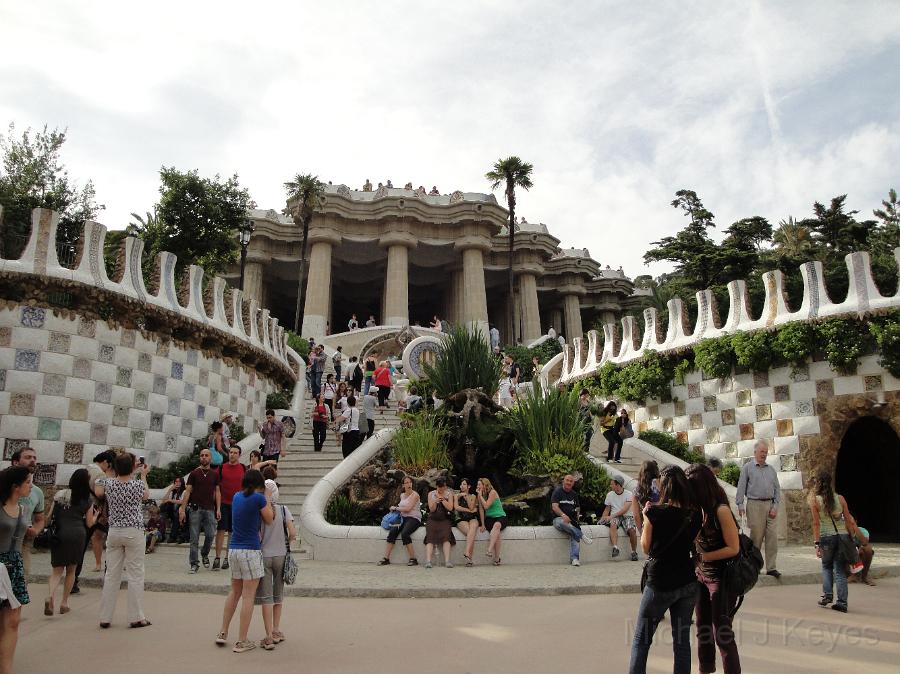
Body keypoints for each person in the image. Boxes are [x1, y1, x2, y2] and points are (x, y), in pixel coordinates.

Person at [629, 465, 702, 674]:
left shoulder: (654, 512)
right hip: (687, 582)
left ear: (665, 486)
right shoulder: (695, 515)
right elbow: (692, 543)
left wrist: (645, 517)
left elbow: (645, 547)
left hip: (660, 582)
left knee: (641, 640)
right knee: (681, 643)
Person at [686, 463, 741, 674]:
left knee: (722, 634)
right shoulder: (698, 510)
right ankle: (705, 669)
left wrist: (704, 556)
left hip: (721, 578)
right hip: (702, 576)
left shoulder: (721, 510)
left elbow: (733, 548)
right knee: (702, 629)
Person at [216, 469, 276, 653]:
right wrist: (266, 495)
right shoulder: (258, 498)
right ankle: (242, 640)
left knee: (234, 591)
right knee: (248, 596)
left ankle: (223, 631)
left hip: (234, 548)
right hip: (250, 549)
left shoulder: (236, 496)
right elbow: (269, 519)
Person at [96, 452, 151, 629]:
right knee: (135, 574)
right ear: (132, 467)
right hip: (133, 530)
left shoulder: (108, 483)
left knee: (112, 574)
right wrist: (142, 475)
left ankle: (105, 617)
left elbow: (99, 489)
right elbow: (146, 496)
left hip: (114, 531)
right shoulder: (137, 485)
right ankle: (136, 616)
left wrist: (109, 473)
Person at [808, 471, 859, 613]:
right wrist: (852, 538)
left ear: (817, 483)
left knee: (826, 566)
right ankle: (842, 602)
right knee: (840, 570)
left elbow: (816, 524)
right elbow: (848, 520)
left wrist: (817, 543)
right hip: (842, 536)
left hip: (827, 537)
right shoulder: (840, 499)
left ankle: (827, 595)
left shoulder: (815, 501)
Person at [255, 479, 296, 648]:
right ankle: (276, 630)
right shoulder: (284, 510)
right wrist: (286, 541)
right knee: (278, 594)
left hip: (264, 555)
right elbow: (292, 533)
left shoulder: (259, 511)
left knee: (266, 597)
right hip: (281, 555)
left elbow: (256, 534)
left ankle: (267, 635)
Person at [0, 466, 33, 674]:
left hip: (15, 566)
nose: (30, 485)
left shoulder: (24, 508)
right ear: (15, 486)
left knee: (13, 622)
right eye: (28, 482)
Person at [735, 440, 781, 578]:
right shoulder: (747, 468)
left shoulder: (771, 470)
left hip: (770, 505)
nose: (764, 454)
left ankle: (771, 567)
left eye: (766, 452)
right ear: (755, 452)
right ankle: (754, 568)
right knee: (756, 538)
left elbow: (777, 489)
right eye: (762, 452)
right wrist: (740, 505)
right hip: (754, 505)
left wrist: (775, 506)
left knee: (772, 538)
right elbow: (741, 487)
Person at [74, 449, 115, 592]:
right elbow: (99, 492)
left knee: (81, 547)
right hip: (96, 512)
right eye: (109, 465)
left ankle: (73, 580)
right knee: (112, 543)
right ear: (105, 462)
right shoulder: (99, 474)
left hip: (83, 509)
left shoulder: (86, 469)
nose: (108, 468)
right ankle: (109, 579)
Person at [179, 449, 222, 574]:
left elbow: (218, 492)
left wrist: (218, 508)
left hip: (209, 509)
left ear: (210, 458)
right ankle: (194, 563)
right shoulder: (194, 473)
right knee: (194, 538)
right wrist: (182, 509)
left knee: (210, 535)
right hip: (195, 509)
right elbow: (187, 491)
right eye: (202, 455)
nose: (204, 457)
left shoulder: (215, 474)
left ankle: (204, 553)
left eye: (206, 455)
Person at [9, 448, 45, 575]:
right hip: (3, 535)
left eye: (34, 458)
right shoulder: (3, 485)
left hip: (23, 540)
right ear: (15, 462)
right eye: (28, 457)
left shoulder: (37, 492)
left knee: (22, 574)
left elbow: (40, 519)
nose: (33, 460)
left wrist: (35, 530)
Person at [214, 447, 247, 571]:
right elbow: (216, 488)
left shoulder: (244, 468)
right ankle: (217, 557)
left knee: (232, 532)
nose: (232, 455)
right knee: (221, 530)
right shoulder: (221, 468)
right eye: (231, 452)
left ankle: (227, 558)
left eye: (235, 453)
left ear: (239, 455)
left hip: (237, 505)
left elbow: (246, 488)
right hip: (223, 504)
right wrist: (217, 507)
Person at [377, 476, 422, 566]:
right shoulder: (402, 495)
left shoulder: (415, 495)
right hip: (402, 518)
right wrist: (394, 509)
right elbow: (402, 507)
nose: (409, 484)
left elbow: (408, 508)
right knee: (392, 532)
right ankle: (386, 558)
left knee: (405, 533)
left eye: (410, 482)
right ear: (403, 485)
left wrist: (396, 508)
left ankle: (413, 559)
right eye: (406, 483)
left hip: (414, 518)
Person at [551, 474, 593, 566]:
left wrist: (577, 516)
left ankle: (575, 559)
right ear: (563, 481)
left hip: (571, 521)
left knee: (574, 532)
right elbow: (554, 507)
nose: (569, 482)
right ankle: (581, 535)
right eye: (567, 480)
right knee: (564, 523)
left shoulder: (574, 494)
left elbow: (577, 507)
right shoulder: (557, 492)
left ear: (573, 483)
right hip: (559, 519)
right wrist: (563, 515)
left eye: (571, 481)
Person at [600, 477, 639, 561]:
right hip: (615, 517)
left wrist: (610, 516)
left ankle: (634, 552)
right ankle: (615, 547)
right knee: (613, 524)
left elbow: (624, 510)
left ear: (618, 485)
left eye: (612, 484)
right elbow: (607, 509)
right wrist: (602, 518)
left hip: (627, 516)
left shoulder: (629, 494)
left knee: (632, 530)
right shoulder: (610, 494)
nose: (610, 485)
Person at [424, 477, 456, 568]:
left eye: (443, 487)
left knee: (446, 537)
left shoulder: (449, 494)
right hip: (433, 519)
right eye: (439, 487)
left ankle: (447, 561)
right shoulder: (431, 494)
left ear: (445, 486)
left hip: (444, 519)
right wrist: (436, 501)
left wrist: (442, 499)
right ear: (437, 486)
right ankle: (428, 561)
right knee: (430, 537)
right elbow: (431, 509)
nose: (441, 489)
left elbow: (450, 508)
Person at [477, 478, 506, 566]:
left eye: (479, 485)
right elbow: (481, 510)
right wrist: (482, 524)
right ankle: (497, 559)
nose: (477, 487)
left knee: (496, 526)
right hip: (489, 518)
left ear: (485, 485)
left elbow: (486, 506)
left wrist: (480, 496)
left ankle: (489, 550)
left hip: (500, 516)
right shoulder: (480, 495)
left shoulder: (492, 492)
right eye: (477, 485)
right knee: (496, 532)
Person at [455, 479, 480, 567]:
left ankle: (467, 553)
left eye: (464, 484)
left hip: (472, 518)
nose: (461, 486)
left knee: (472, 529)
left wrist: (467, 497)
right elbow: (457, 507)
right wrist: (469, 510)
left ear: (468, 486)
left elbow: (472, 507)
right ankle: (469, 558)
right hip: (461, 518)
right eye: (461, 484)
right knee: (471, 532)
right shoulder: (456, 496)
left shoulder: (473, 496)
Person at [632, 460, 661, 534]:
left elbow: (636, 515)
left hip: (647, 525)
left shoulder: (637, 489)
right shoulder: (661, 484)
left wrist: (641, 532)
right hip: (663, 522)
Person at [161, 476, 187, 543]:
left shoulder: (184, 491)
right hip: (172, 512)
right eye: (176, 482)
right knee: (164, 506)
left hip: (181, 511)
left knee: (176, 511)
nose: (177, 483)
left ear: (182, 483)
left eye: (179, 482)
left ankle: (173, 537)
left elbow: (183, 501)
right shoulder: (173, 492)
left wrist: (170, 500)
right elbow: (163, 501)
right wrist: (169, 490)